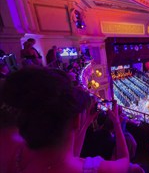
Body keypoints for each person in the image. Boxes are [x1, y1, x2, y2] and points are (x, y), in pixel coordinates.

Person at [1, 67, 130, 173]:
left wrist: (85, 124)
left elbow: (72, 153)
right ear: (76, 121)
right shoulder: (92, 167)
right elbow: (124, 160)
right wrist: (117, 123)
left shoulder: (15, 157)